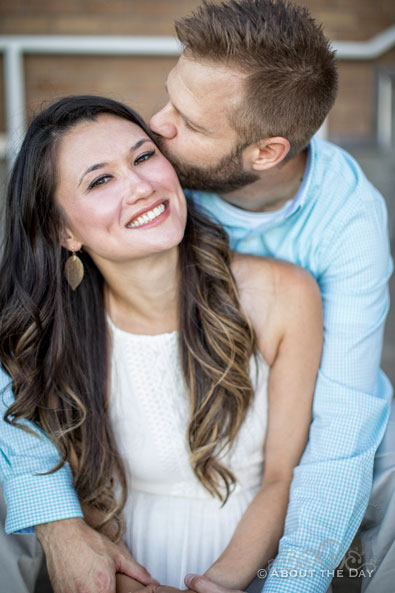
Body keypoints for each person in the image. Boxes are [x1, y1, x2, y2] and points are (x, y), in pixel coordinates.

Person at [0, 1, 393, 592]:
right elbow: (18, 366)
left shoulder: (350, 226)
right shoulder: (165, 170)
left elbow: (338, 439)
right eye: (168, 98)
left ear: (265, 153)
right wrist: (57, 521)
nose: (157, 128)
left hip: (312, 406)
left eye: (189, 122)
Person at [0, 95, 323, 593]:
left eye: (144, 156)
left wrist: (216, 584)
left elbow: (285, 477)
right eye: (100, 179)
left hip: (255, 566)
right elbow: (81, 498)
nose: (141, 187)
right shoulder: (56, 335)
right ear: (63, 231)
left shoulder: (284, 295)